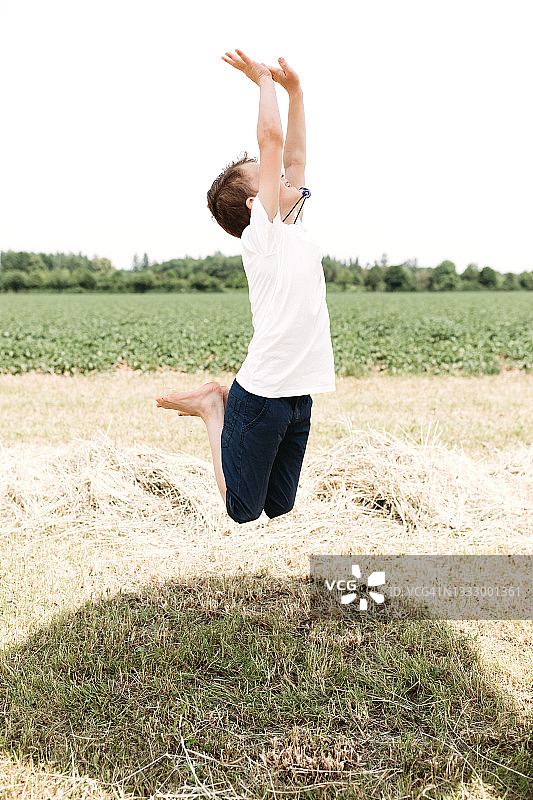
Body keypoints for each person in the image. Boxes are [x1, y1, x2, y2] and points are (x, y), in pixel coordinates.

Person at [156, 48, 335, 523]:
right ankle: (213, 407)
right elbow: (272, 139)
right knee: (242, 510)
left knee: (279, 506)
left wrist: (297, 92)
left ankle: (219, 407)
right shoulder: (265, 237)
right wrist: (264, 82)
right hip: (261, 396)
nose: (286, 174)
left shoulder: (290, 226)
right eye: (272, 176)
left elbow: (294, 153)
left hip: (298, 396)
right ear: (258, 204)